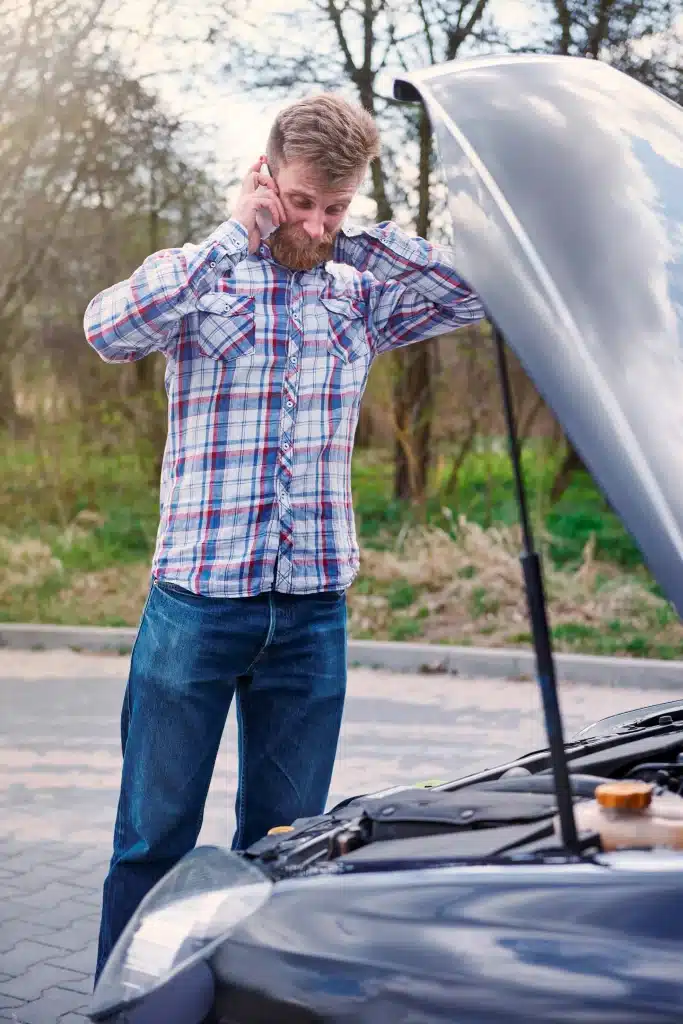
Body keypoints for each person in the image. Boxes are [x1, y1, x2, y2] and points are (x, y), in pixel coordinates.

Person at [85, 92, 485, 983]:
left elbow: (474, 291)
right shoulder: (201, 274)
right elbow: (106, 330)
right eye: (301, 201)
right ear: (264, 177)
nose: (313, 223)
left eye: (332, 207)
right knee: (152, 839)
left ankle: (247, 1003)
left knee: (289, 846)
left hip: (310, 616)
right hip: (196, 604)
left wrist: (355, 232)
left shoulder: (358, 294)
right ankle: (124, 1004)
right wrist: (236, 231)